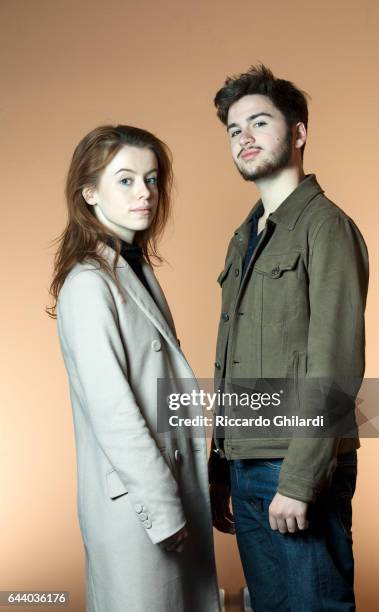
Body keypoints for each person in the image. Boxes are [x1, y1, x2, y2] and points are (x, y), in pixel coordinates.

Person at [208, 66, 369, 611]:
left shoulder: (326, 227)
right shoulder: (244, 237)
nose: (244, 138)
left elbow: (335, 361)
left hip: (296, 468)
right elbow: (231, 358)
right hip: (246, 465)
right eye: (234, 130)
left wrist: (300, 480)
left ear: (298, 132)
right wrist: (219, 465)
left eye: (259, 122)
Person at [47, 125, 220, 612]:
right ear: (89, 193)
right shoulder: (88, 283)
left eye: (152, 178)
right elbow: (114, 411)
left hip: (164, 491)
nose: (144, 192)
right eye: (125, 180)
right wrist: (164, 510)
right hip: (139, 505)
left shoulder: (134, 270)